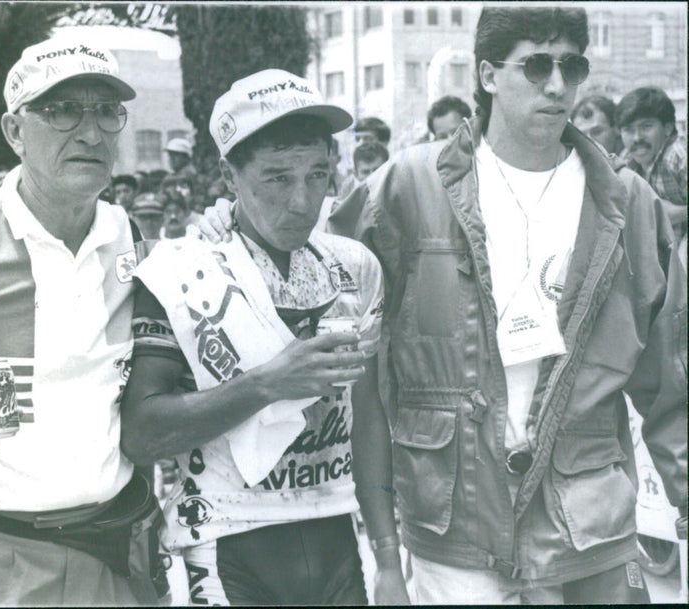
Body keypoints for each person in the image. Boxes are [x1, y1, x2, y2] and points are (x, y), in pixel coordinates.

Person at [199, 6, 687, 605]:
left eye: (572, 66)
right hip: (456, 526)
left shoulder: (626, 202)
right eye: (536, 65)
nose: (558, 85)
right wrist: (231, 226)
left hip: (587, 523)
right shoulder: (410, 186)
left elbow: (671, 381)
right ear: (486, 74)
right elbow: (306, 250)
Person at [0, 36, 168, 607]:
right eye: (63, 110)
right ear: (14, 131)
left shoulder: (131, 238)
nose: (91, 133)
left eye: (107, 112)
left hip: (119, 552)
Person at [121, 68, 384, 606]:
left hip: (334, 530)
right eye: (277, 178)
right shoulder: (181, 270)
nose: (302, 201)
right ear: (228, 175)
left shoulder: (354, 266)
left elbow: (370, 419)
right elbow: (141, 433)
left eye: (317, 174)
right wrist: (267, 384)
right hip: (226, 541)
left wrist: (389, 555)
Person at [616, 87, 687, 245]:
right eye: (628, 130)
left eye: (646, 126)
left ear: (667, 128)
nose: (637, 138)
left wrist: (679, 213)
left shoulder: (678, 155)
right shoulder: (626, 161)